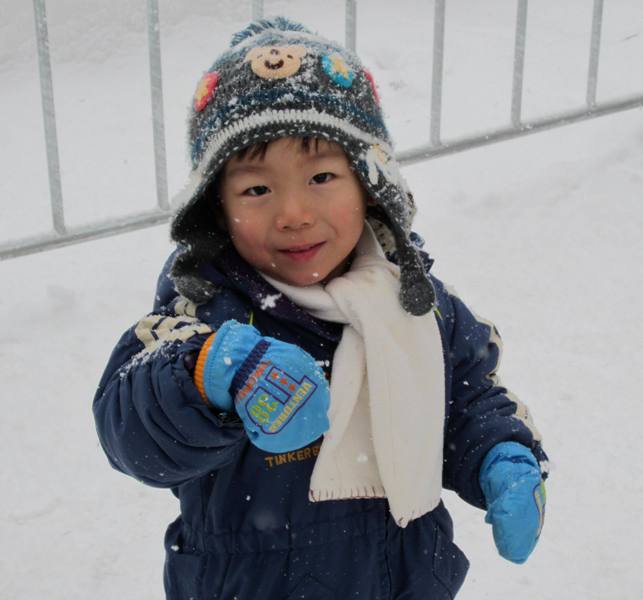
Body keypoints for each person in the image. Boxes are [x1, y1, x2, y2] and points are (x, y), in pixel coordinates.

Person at [93, 16, 548, 600]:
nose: (293, 213)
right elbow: (128, 429)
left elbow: (467, 395)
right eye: (257, 189)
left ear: (368, 184)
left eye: (322, 176)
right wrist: (208, 372)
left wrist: (502, 457)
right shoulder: (201, 312)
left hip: (406, 581)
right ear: (215, 205)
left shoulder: (411, 301)